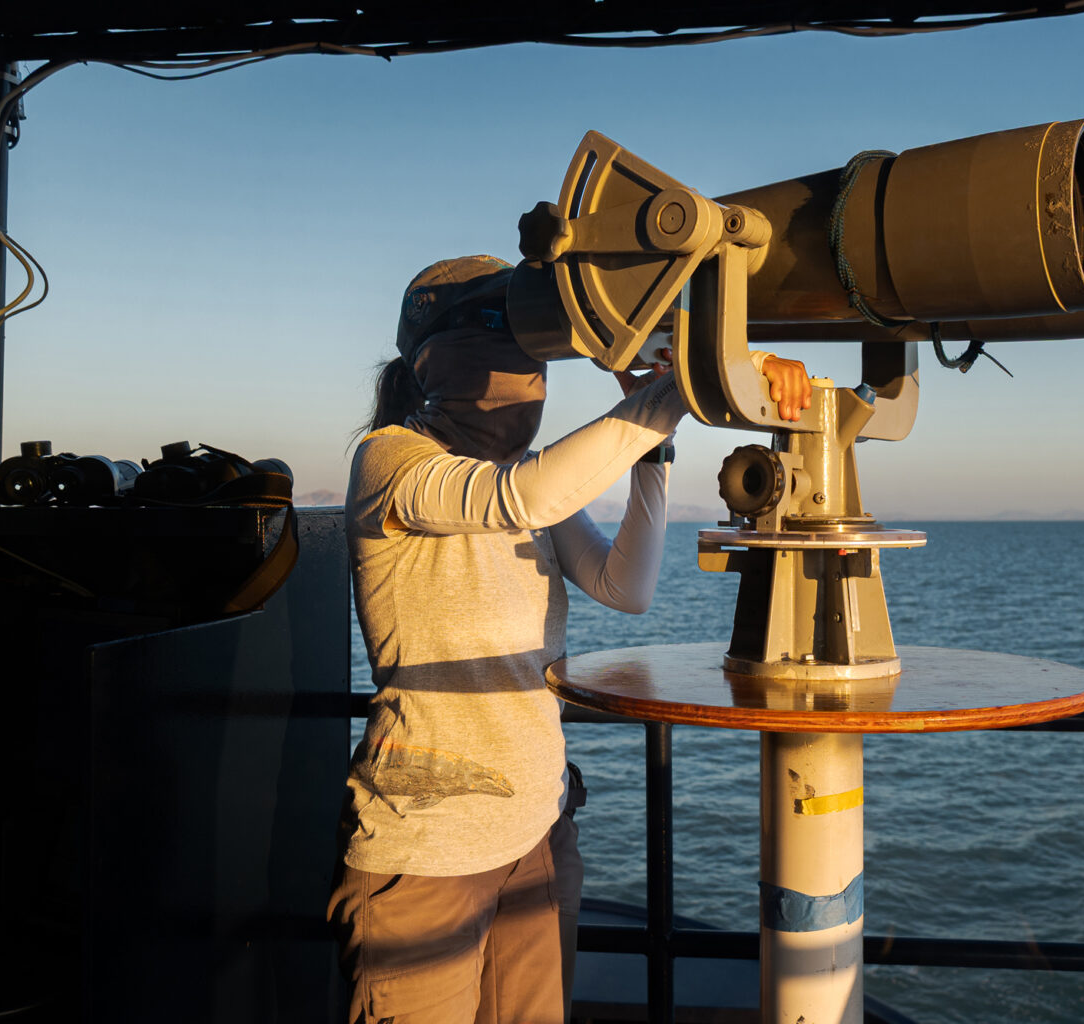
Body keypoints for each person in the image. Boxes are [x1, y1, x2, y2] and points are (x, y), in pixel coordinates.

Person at [328, 255, 808, 1024]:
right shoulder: (391, 461)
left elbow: (628, 588)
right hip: (428, 852)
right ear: (435, 361)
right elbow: (527, 497)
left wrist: (654, 449)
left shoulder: (514, 470)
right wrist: (675, 388)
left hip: (538, 834)